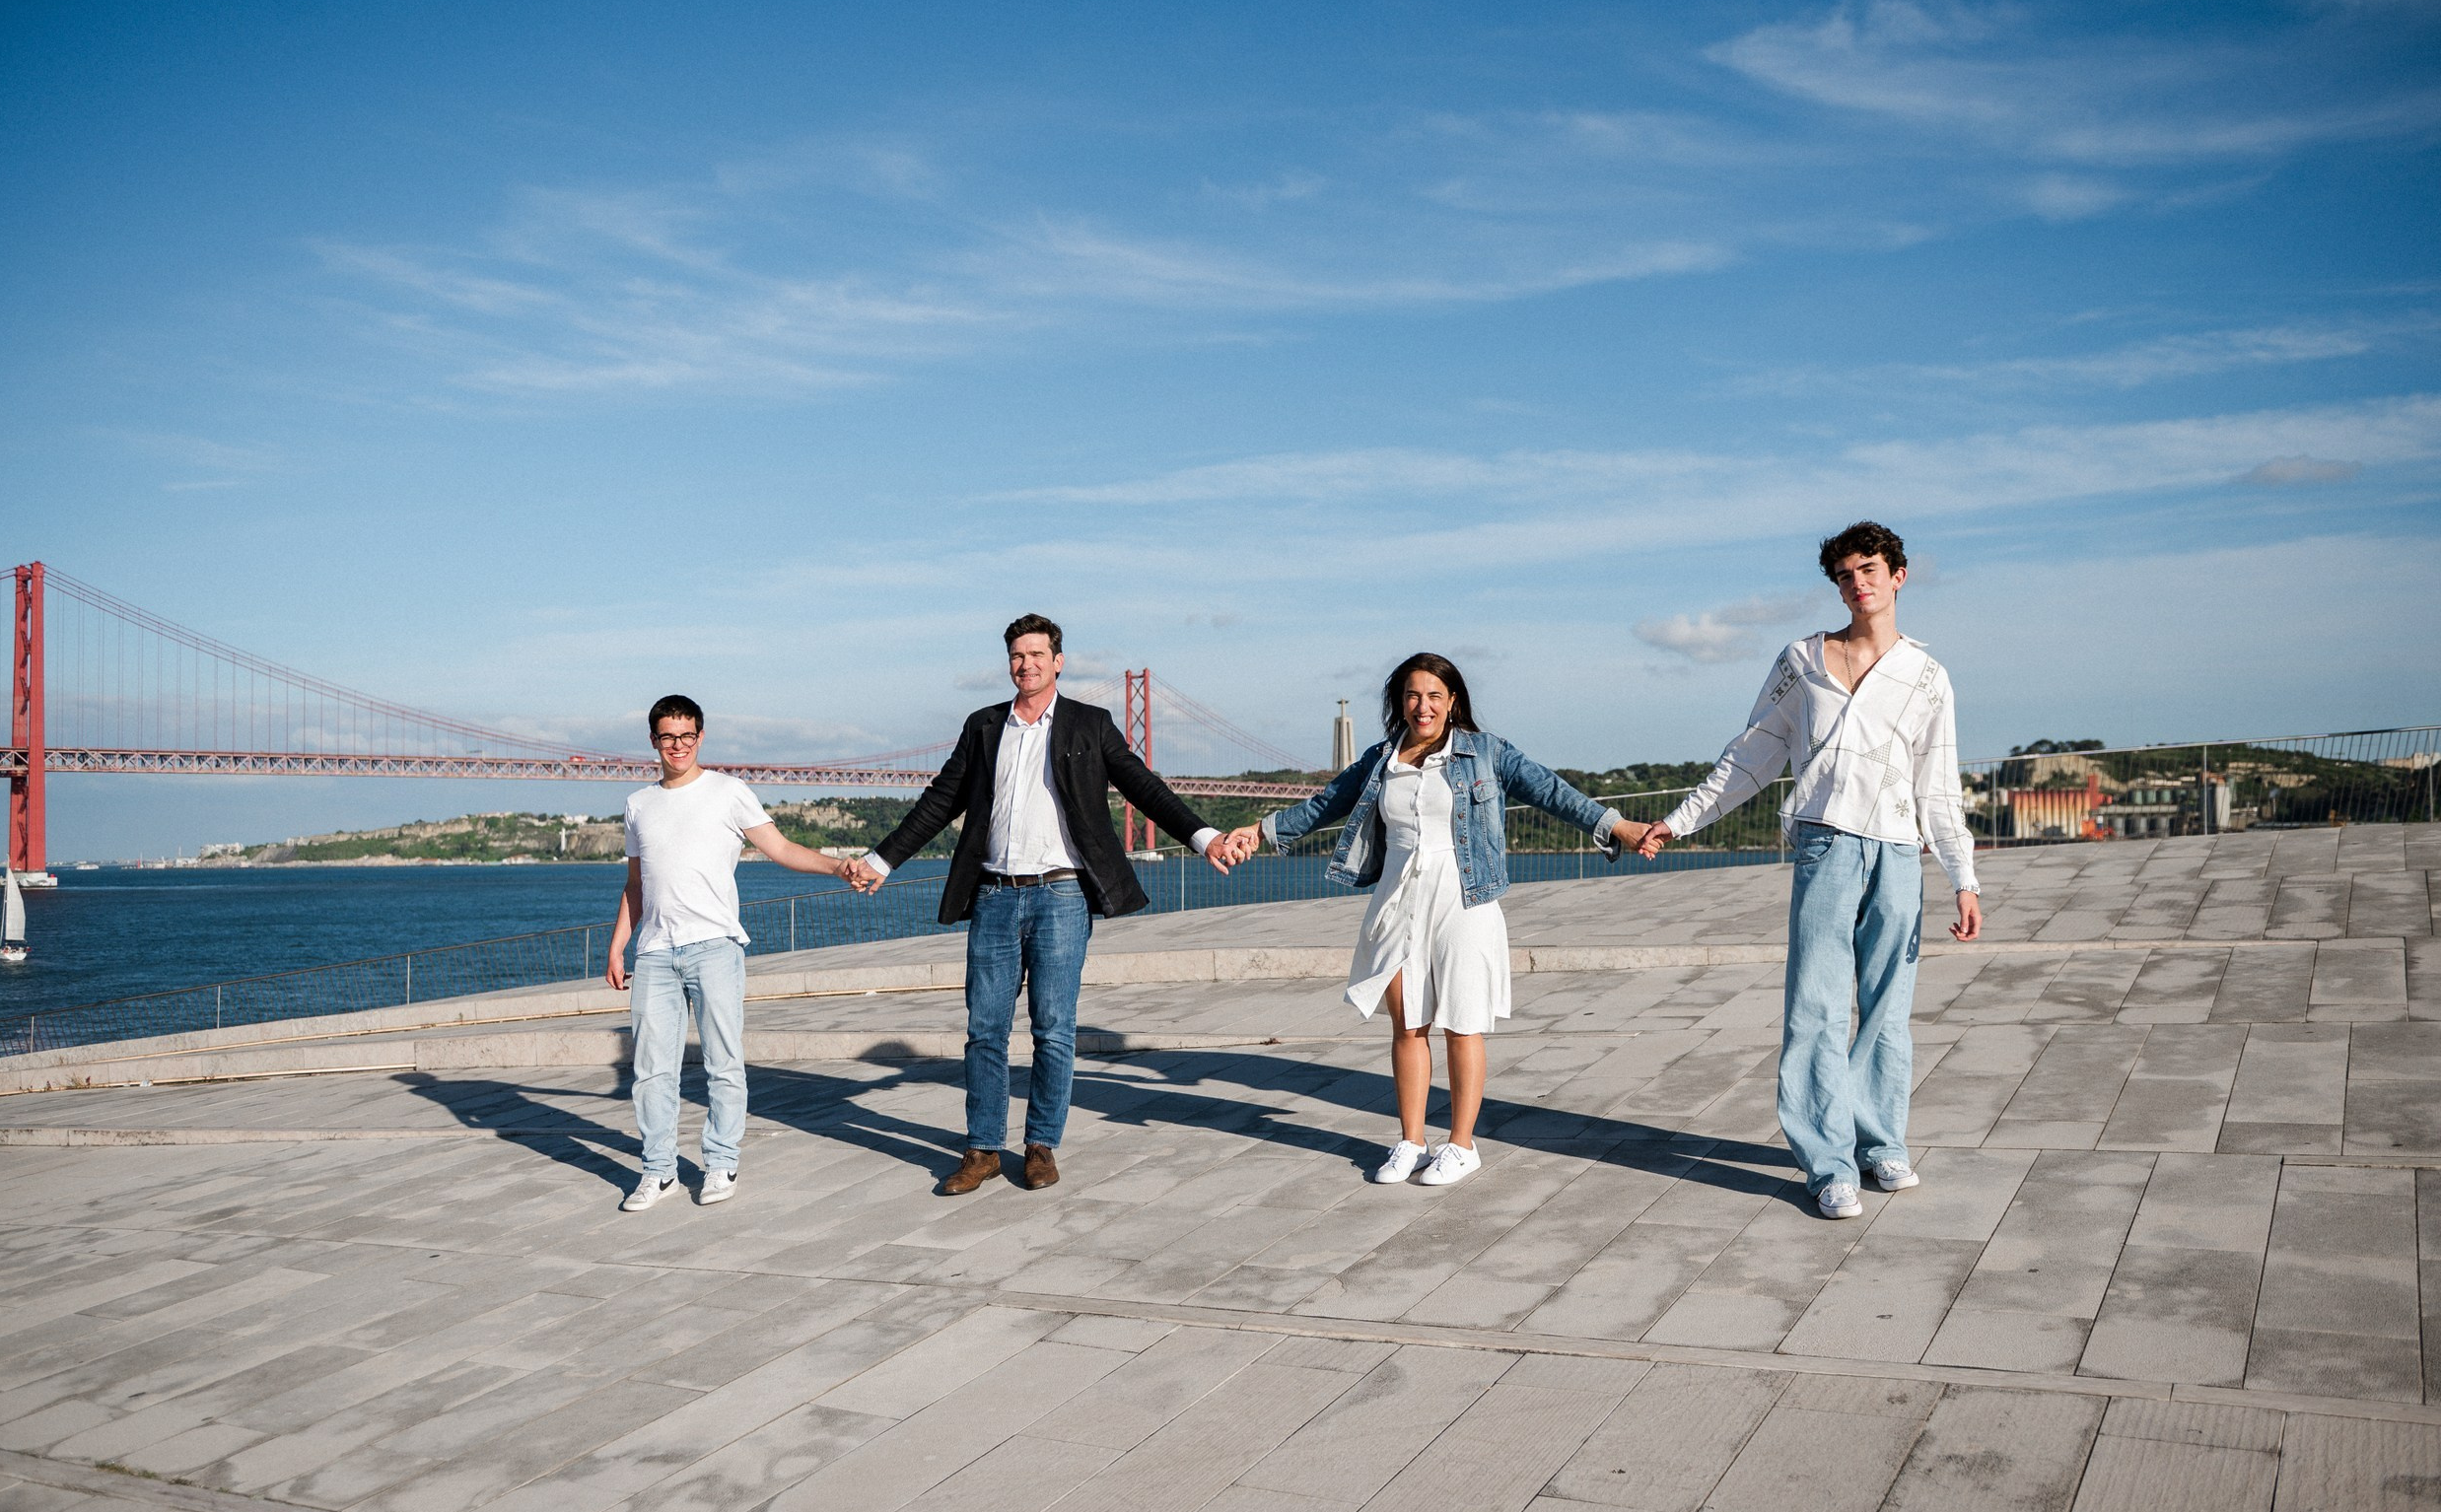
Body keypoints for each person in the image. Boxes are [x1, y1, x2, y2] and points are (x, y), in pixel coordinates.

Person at [1637, 521, 1984, 1219]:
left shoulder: (1926, 674)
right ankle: (1827, 1163)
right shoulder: (1801, 660)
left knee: (1887, 1006)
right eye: (1846, 574)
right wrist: (1679, 819)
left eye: (1871, 569)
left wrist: (1963, 875)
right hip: (1825, 846)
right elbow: (1751, 756)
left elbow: (1937, 785)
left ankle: (1880, 1141)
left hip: (1896, 851)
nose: (1859, 582)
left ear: (1899, 575)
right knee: (1816, 1008)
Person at [1220, 653, 1650, 1187]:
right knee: (1408, 1023)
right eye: (1411, 696)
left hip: (1464, 900)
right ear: (1399, 702)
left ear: (1453, 703)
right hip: (1398, 898)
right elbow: (1324, 804)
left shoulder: (1486, 753)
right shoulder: (1382, 759)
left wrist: (1617, 824)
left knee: (1462, 1023)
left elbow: (1552, 791)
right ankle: (1411, 1141)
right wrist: (1257, 832)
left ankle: (1462, 1145)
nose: (1422, 706)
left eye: (1434, 696)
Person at [850, 615, 1240, 1195]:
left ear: (1058, 661)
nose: (1026, 663)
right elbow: (939, 802)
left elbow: (1143, 786)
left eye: (1037, 654)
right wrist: (882, 861)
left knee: (1053, 1029)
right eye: (1016, 655)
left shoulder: (1091, 723)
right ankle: (982, 1149)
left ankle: (1040, 1146)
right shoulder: (983, 726)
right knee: (985, 1029)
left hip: (1061, 894)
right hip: (994, 894)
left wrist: (1204, 837)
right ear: (1008, 663)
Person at [607, 694, 868, 1212]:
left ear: (701, 737)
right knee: (651, 1071)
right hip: (655, 953)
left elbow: (781, 849)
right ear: (652, 740)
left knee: (723, 1064)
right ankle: (658, 1171)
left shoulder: (729, 792)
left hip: (715, 948)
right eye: (667, 736)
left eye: (686, 735)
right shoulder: (639, 804)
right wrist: (618, 946)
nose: (677, 745)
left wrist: (837, 866)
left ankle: (721, 1161)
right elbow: (636, 884)